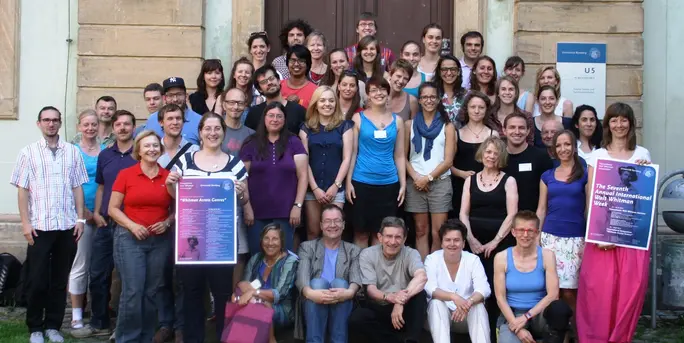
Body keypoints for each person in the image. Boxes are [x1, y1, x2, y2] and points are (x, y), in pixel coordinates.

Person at [165, 112, 250, 343]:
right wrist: (170, 185)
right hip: (191, 239)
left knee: (222, 294)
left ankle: (223, 338)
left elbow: (243, 200)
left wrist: (242, 194)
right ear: (200, 133)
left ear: (223, 132)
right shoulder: (185, 161)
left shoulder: (235, 163)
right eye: (208, 129)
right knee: (192, 293)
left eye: (217, 129)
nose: (213, 133)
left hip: (221, 241)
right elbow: (177, 196)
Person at [576, 102, 652, 343]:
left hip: (632, 236)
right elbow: (591, 199)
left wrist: (645, 172)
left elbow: (644, 198)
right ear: (607, 124)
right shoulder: (597, 156)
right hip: (602, 236)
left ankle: (621, 338)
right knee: (599, 291)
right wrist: (598, 234)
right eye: (614, 120)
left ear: (630, 123)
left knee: (630, 292)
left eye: (624, 120)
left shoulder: (643, 155)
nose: (619, 125)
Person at [11, 106, 88, 343]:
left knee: (59, 279)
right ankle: (35, 327)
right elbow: (23, 190)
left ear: (60, 123)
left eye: (55, 120)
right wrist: (26, 223)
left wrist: (80, 218)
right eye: (46, 120)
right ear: (39, 123)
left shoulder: (72, 152)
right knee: (37, 279)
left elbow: (77, 187)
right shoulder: (28, 153)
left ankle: (53, 325)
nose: (51, 124)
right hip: (40, 226)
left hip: (66, 226)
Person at [71, 110, 138, 340]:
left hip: (130, 224)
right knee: (98, 274)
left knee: (129, 277)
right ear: (113, 128)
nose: (122, 128)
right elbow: (101, 186)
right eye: (118, 124)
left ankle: (124, 325)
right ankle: (99, 321)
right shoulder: (105, 155)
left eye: (126, 124)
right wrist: (98, 213)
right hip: (106, 223)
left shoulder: (140, 154)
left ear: (133, 127)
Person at [108, 130, 174, 343]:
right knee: (134, 291)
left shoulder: (168, 177)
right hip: (130, 239)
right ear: (138, 150)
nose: (152, 149)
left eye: (155, 145)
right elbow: (113, 209)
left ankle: (146, 338)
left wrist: (167, 222)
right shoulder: (126, 175)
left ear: (161, 149)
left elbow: (179, 207)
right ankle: (127, 338)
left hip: (159, 241)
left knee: (151, 292)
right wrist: (132, 226)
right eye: (147, 146)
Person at [459, 136, 518, 341]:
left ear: (500, 156)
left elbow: (512, 215)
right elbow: (463, 214)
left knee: (494, 291)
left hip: (499, 245)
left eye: (495, 152)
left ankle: (494, 334)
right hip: (474, 243)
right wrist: (471, 239)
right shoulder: (470, 180)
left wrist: (495, 242)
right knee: (473, 288)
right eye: (488, 151)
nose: (491, 156)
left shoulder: (508, 180)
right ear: (482, 154)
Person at [493, 210, 572, 343]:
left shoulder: (547, 255)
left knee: (560, 309)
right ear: (513, 232)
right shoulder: (501, 258)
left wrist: (526, 317)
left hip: (539, 314)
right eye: (521, 230)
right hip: (513, 315)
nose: (525, 235)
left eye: (530, 230)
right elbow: (500, 298)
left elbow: (553, 295)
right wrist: (517, 327)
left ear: (536, 233)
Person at [240, 101, 308, 253]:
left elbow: (303, 176)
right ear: (264, 118)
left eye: (279, 116)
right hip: (256, 212)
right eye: (271, 115)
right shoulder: (251, 143)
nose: (275, 119)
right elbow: (242, 178)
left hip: (286, 212)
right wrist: (247, 207)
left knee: (283, 257)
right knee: (257, 257)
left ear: (284, 120)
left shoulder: (294, 142)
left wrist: (298, 206)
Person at [346, 77, 406, 247]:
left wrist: (402, 184)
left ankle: (375, 273)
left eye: (382, 89)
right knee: (361, 233)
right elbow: (353, 152)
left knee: (381, 234)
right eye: (373, 90)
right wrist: (348, 181)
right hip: (362, 182)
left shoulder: (398, 121)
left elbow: (400, 155)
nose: (378, 93)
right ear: (368, 95)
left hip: (389, 184)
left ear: (388, 93)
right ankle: (359, 273)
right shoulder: (358, 119)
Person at [347, 217, 427, 343]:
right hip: (380, 304)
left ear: (404, 239)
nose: (393, 241)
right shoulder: (368, 254)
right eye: (388, 236)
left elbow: (421, 277)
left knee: (420, 296)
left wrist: (400, 301)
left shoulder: (411, 253)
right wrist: (390, 297)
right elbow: (371, 290)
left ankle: (412, 341)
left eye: (398, 237)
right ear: (380, 237)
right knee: (357, 318)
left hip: (404, 309)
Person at [536, 130, 587, 316]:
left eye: (567, 144)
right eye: (558, 145)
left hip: (575, 239)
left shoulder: (585, 174)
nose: (563, 149)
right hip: (550, 238)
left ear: (574, 147)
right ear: (554, 150)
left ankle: (578, 331)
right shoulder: (547, 176)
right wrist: (537, 237)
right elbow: (541, 209)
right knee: (552, 290)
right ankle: (558, 334)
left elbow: (588, 209)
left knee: (570, 291)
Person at [295, 204, 362, 343]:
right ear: (320, 225)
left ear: (343, 225)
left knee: (340, 283)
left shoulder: (353, 250)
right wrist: (311, 293)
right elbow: (302, 277)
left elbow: (356, 278)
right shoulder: (307, 247)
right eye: (327, 221)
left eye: (337, 221)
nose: (332, 225)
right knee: (317, 283)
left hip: (342, 299)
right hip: (314, 299)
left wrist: (349, 292)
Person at [404, 82, 455, 259]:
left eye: (433, 96)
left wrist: (428, 178)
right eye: (425, 97)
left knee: (438, 233)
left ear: (439, 99)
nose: (429, 100)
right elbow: (402, 156)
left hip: (439, 183)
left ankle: (434, 274)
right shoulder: (409, 125)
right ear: (419, 100)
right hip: (415, 182)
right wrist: (417, 178)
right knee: (420, 231)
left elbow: (448, 161)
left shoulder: (448, 126)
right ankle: (422, 272)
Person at [299, 86, 353, 240]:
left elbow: (347, 158)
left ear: (336, 103)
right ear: (315, 103)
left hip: (335, 189)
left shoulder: (345, 126)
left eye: (331, 100)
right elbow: (304, 161)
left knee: (333, 233)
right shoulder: (306, 128)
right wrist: (315, 188)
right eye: (322, 100)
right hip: (312, 190)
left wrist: (336, 185)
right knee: (313, 232)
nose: (327, 104)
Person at [425, 219, 491, 343]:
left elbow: (484, 289)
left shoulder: (473, 260)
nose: (452, 244)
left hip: (466, 315)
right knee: (436, 303)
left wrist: (468, 302)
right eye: (448, 240)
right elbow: (429, 288)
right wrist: (453, 297)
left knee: (478, 306)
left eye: (456, 240)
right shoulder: (432, 259)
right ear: (442, 243)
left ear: (463, 243)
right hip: (438, 317)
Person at [68, 110, 105, 330]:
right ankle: (76, 314)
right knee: (80, 264)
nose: (90, 128)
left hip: (101, 215)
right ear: (79, 126)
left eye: (94, 124)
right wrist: (84, 212)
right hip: (79, 216)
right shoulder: (72, 152)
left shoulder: (106, 151)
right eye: (86, 125)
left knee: (100, 267)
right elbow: (68, 184)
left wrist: (98, 212)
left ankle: (97, 310)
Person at [233, 224, 299, 343]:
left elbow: (279, 294)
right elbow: (245, 284)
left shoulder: (290, 261)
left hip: (281, 310)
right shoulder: (256, 259)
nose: (270, 243)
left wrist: (254, 293)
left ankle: (271, 339)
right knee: (236, 296)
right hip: (254, 303)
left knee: (260, 304)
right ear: (261, 240)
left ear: (282, 241)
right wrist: (245, 290)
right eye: (266, 238)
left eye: (275, 239)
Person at [450, 91, 495, 216]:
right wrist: (462, 174)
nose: (476, 111)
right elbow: (448, 163)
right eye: (473, 107)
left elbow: (498, 165)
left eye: (481, 107)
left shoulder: (492, 134)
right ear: (466, 109)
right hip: (460, 186)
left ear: (486, 110)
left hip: (486, 188)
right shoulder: (457, 133)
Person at [502, 112, 554, 212]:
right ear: (504, 130)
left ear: (528, 131)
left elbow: (548, 194)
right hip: (502, 218)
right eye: (512, 127)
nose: (517, 132)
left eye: (521, 128)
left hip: (530, 220)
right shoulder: (498, 157)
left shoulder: (541, 157)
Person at [245, 65, 306, 135]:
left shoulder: (298, 111)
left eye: (271, 78)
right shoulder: (254, 113)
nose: (269, 83)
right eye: (264, 82)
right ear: (259, 89)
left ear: (278, 80)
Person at [144, 77, 202, 145]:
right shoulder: (153, 119)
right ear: (164, 98)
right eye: (170, 95)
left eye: (179, 94)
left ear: (186, 96)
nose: (175, 99)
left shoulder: (199, 121)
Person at [489, 75, 534, 145]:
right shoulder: (490, 117)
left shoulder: (526, 116)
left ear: (516, 93)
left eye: (511, 89)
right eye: (503, 89)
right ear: (498, 93)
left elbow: (530, 143)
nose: (507, 92)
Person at [434, 55, 467, 127]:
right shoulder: (433, 94)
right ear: (439, 72)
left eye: (453, 69)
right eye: (444, 69)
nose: (449, 73)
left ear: (458, 71)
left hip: (461, 136)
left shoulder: (467, 95)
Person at [222, 88, 256, 157]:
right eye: (231, 102)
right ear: (224, 105)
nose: (236, 107)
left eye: (240, 103)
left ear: (245, 106)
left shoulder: (252, 135)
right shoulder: (214, 131)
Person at [226, 57, 260, 121]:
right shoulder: (222, 97)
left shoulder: (257, 100)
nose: (243, 75)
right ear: (234, 74)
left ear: (251, 76)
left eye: (247, 72)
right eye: (240, 71)